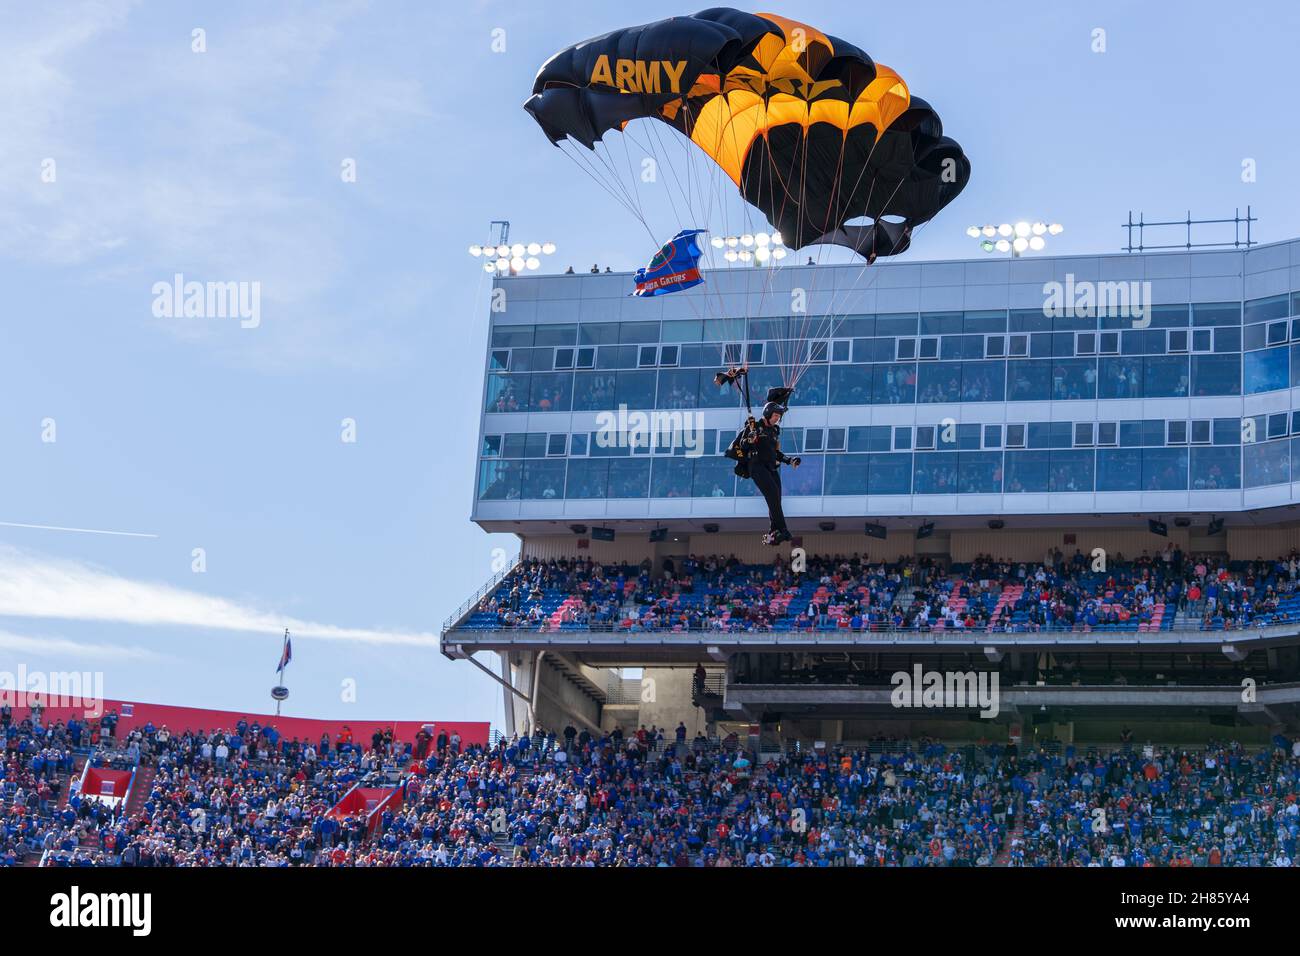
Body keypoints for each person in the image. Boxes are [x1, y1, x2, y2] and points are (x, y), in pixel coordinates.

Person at [746, 400, 800, 545]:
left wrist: (789, 460)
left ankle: (772, 534)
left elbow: (774, 452)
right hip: (757, 467)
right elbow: (744, 442)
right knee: (772, 495)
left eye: (779, 416)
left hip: (770, 468)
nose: (777, 418)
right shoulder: (755, 426)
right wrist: (751, 438)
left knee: (776, 499)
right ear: (768, 413)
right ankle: (783, 529)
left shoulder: (774, 430)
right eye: (775, 415)